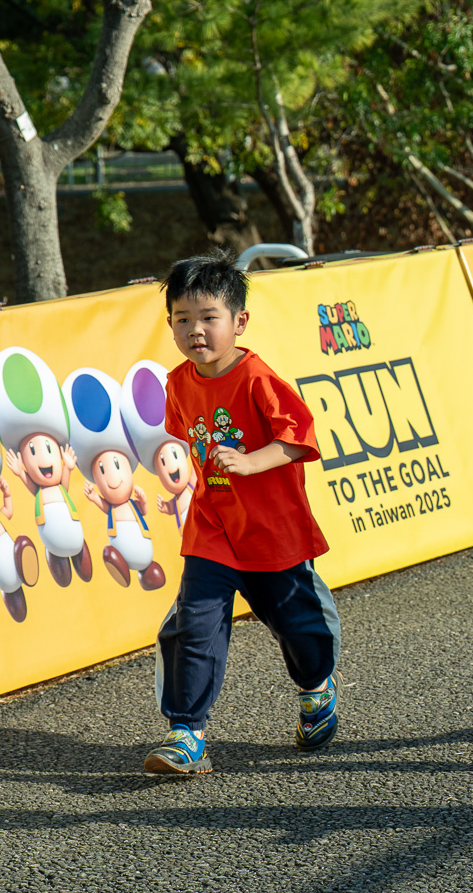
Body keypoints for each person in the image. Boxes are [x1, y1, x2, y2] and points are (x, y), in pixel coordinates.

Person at [145, 251, 341, 775]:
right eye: (182, 319)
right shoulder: (177, 383)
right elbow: (188, 436)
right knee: (196, 625)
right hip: (212, 527)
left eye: (209, 317)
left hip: (272, 531)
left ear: (240, 321)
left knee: (297, 628)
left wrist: (252, 462)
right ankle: (187, 733)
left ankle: (317, 687)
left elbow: (300, 437)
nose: (195, 330)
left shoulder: (257, 377)